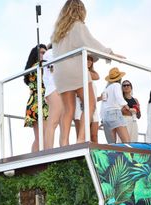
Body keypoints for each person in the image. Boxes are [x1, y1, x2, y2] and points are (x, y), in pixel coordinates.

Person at [51, 0, 123, 146]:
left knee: (68, 109)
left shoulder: (58, 32)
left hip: (60, 72)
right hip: (75, 69)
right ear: (80, 10)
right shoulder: (77, 25)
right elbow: (90, 43)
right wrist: (110, 53)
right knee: (90, 103)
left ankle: (64, 142)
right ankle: (81, 138)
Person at [23, 44, 49, 152]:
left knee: (40, 137)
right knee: (43, 137)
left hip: (36, 102)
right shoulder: (38, 66)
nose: (44, 54)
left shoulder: (35, 67)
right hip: (38, 102)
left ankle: (36, 161)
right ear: (36, 54)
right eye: (42, 52)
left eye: (45, 52)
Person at [72, 55, 100, 142]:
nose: (89, 61)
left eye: (91, 60)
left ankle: (95, 155)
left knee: (94, 136)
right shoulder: (77, 72)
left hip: (93, 107)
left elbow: (97, 76)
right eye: (87, 59)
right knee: (81, 136)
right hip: (80, 105)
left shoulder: (88, 73)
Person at [100, 67, 130, 143]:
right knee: (127, 141)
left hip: (106, 116)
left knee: (112, 144)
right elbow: (119, 97)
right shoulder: (117, 85)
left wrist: (102, 118)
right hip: (115, 113)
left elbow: (103, 104)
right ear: (120, 78)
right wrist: (126, 105)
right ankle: (128, 155)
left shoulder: (106, 89)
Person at [42, 45, 63, 149]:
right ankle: (48, 151)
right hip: (54, 88)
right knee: (53, 122)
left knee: (63, 124)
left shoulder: (58, 51)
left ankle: (63, 149)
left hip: (62, 89)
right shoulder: (50, 53)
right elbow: (52, 70)